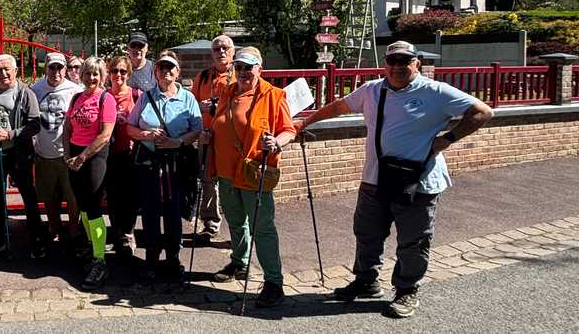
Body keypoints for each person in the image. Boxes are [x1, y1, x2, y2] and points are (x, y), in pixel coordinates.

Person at [298, 41, 493, 318]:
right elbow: (338, 107)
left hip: (418, 181)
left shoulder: (435, 91)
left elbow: (483, 111)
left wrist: (447, 139)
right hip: (375, 178)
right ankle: (366, 282)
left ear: (417, 64)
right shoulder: (372, 90)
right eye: (392, 61)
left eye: (405, 61)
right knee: (367, 233)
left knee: (413, 240)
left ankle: (406, 290)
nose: (397, 67)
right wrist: (304, 123)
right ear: (385, 64)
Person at [205, 47, 295, 308]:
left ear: (259, 69)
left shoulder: (273, 95)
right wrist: (209, 134)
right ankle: (240, 262)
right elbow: (221, 123)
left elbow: (288, 130)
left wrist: (276, 142)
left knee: (262, 227)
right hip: (226, 171)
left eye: (248, 67)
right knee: (235, 221)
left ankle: (274, 282)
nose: (243, 72)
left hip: (254, 172)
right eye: (239, 67)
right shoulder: (228, 92)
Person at [127, 51, 203, 280]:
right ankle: (151, 257)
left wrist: (176, 142)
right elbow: (130, 127)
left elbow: (197, 130)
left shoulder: (188, 98)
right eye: (161, 67)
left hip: (176, 163)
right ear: (155, 72)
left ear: (178, 72)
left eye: (170, 67)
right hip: (150, 163)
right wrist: (146, 134)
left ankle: (173, 257)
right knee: (150, 211)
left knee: (173, 211)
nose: (166, 71)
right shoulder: (145, 97)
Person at [0, 54, 47, 259]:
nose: (3, 73)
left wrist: (11, 134)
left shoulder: (25, 92)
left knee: (29, 197)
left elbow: (35, 124)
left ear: (15, 70)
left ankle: (37, 242)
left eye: (7, 69)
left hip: (18, 152)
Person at [64, 57, 117, 290]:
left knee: (93, 208)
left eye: (96, 74)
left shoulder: (106, 99)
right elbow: (67, 127)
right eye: (87, 73)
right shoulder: (76, 97)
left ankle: (100, 260)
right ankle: (90, 245)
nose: (91, 78)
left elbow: (105, 134)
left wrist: (82, 157)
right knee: (83, 206)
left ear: (102, 76)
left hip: (94, 157)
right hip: (75, 156)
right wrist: (68, 154)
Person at [30, 53, 83, 251]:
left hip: (67, 153)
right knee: (48, 196)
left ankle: (74, 228)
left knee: (72, 196)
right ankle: (54, 227)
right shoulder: (35, 90)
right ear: (46, 68)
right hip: (44, 153)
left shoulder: (75, 91)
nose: (56, 72)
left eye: (60, 68)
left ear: (65, 69)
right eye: (52, 67)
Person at [191, 35, 235, 245]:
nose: (221, 52)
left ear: (233, 51)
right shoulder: (203, 77)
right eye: (217, 49)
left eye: (225, 48)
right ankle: (210, 224)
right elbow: (191, 104)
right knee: (208, 180)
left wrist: (218, 107)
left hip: (233, 139)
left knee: (233, 182)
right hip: (207, 136)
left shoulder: (240, 75)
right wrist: (200, 107)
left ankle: (238, 228)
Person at [104, 55, 138, 257]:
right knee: (113, 195)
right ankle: (117, 232)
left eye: (123, 71)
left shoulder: (136, 95)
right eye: (114, 71)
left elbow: (143, 120)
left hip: (129, 151)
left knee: (129, 196)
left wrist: (129, 122)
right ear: (109, 73)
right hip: (108, 152)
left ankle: (128, 232)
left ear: (129, 74)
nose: (118, 75)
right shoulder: (104, 95)